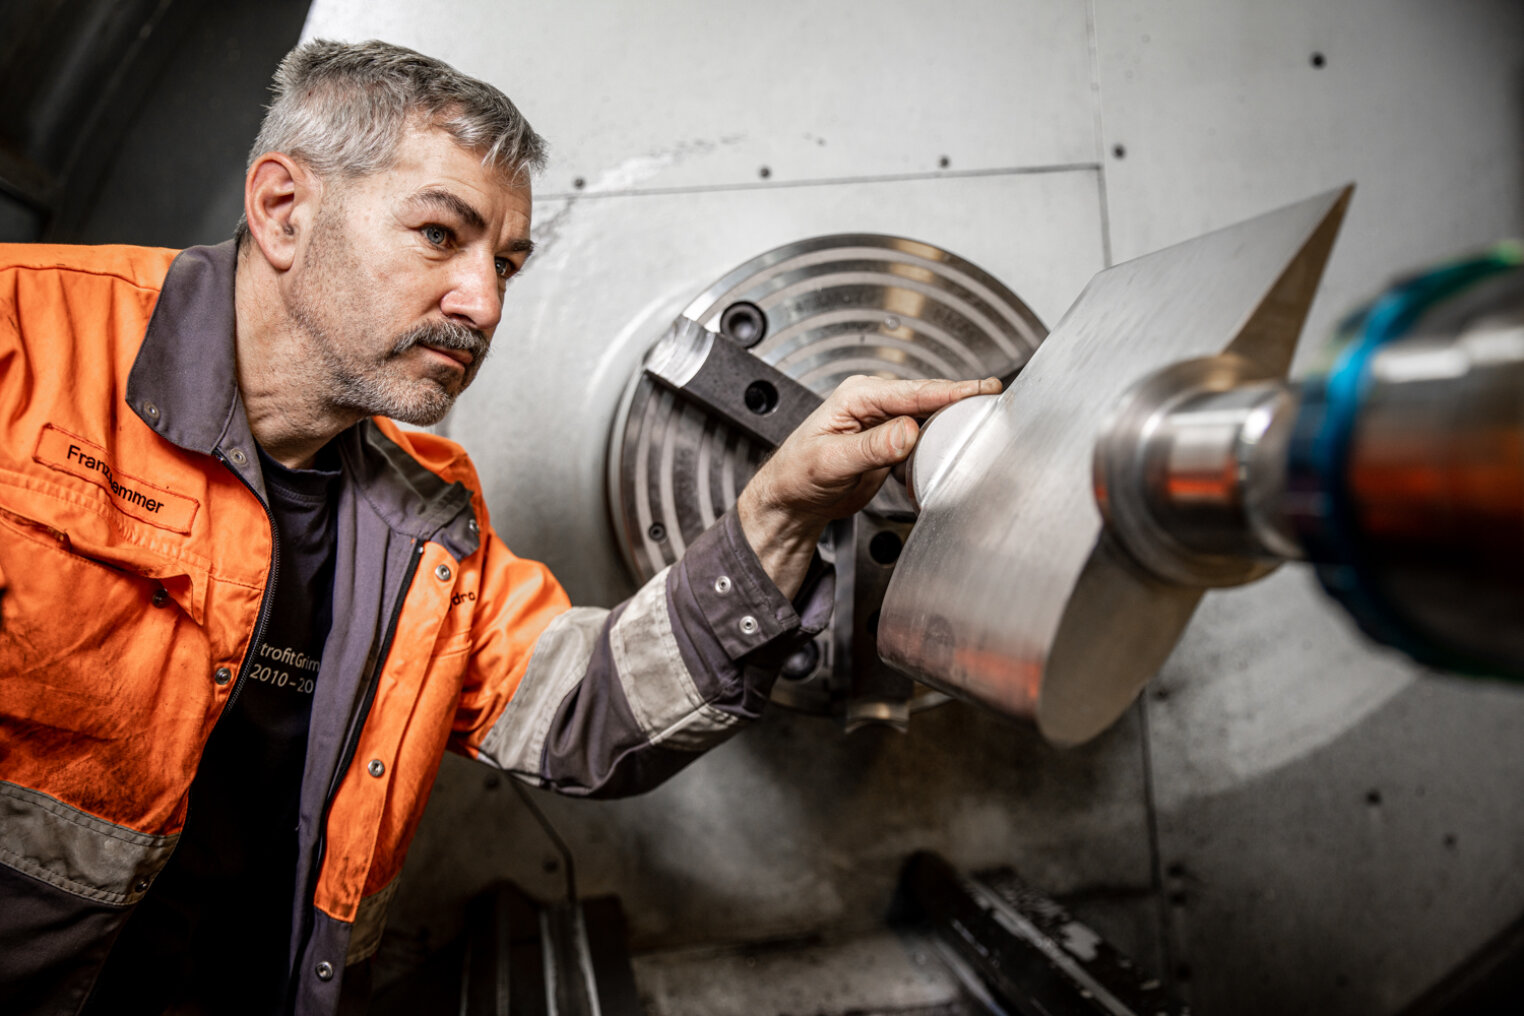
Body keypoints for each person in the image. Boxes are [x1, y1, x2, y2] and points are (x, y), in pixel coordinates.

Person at [0, 39, 999, 1015]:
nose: (481, 301)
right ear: (282, 209)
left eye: (507, 263)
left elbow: (583, 708)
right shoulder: (22, 346)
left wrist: (782, 510)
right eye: (441, 234)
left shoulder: (427, 519)